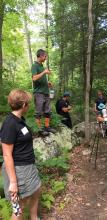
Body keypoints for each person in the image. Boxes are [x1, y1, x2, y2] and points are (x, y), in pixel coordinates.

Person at [1, 89, 41, 220]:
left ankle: (34, 217)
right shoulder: (9, 124)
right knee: (19, 207)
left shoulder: (19, 120)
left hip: (29, 167)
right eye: (28, 103)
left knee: (36, 191)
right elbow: (6, 155)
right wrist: (13, 182)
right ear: (24, 105)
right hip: (19, 170)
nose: (29, 106)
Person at [31, 49, 55, 135]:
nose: (45, 58)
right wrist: (44, 72)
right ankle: (39, 130)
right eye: (45, 56)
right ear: (40, 56)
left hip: (46, 92)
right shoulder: (35, 66)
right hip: (39, 93)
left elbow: (40, 79)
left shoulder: (42, 66)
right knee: (39, 111)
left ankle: (47, 127)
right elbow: (34, 78)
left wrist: (47, 83)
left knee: (47, 110)